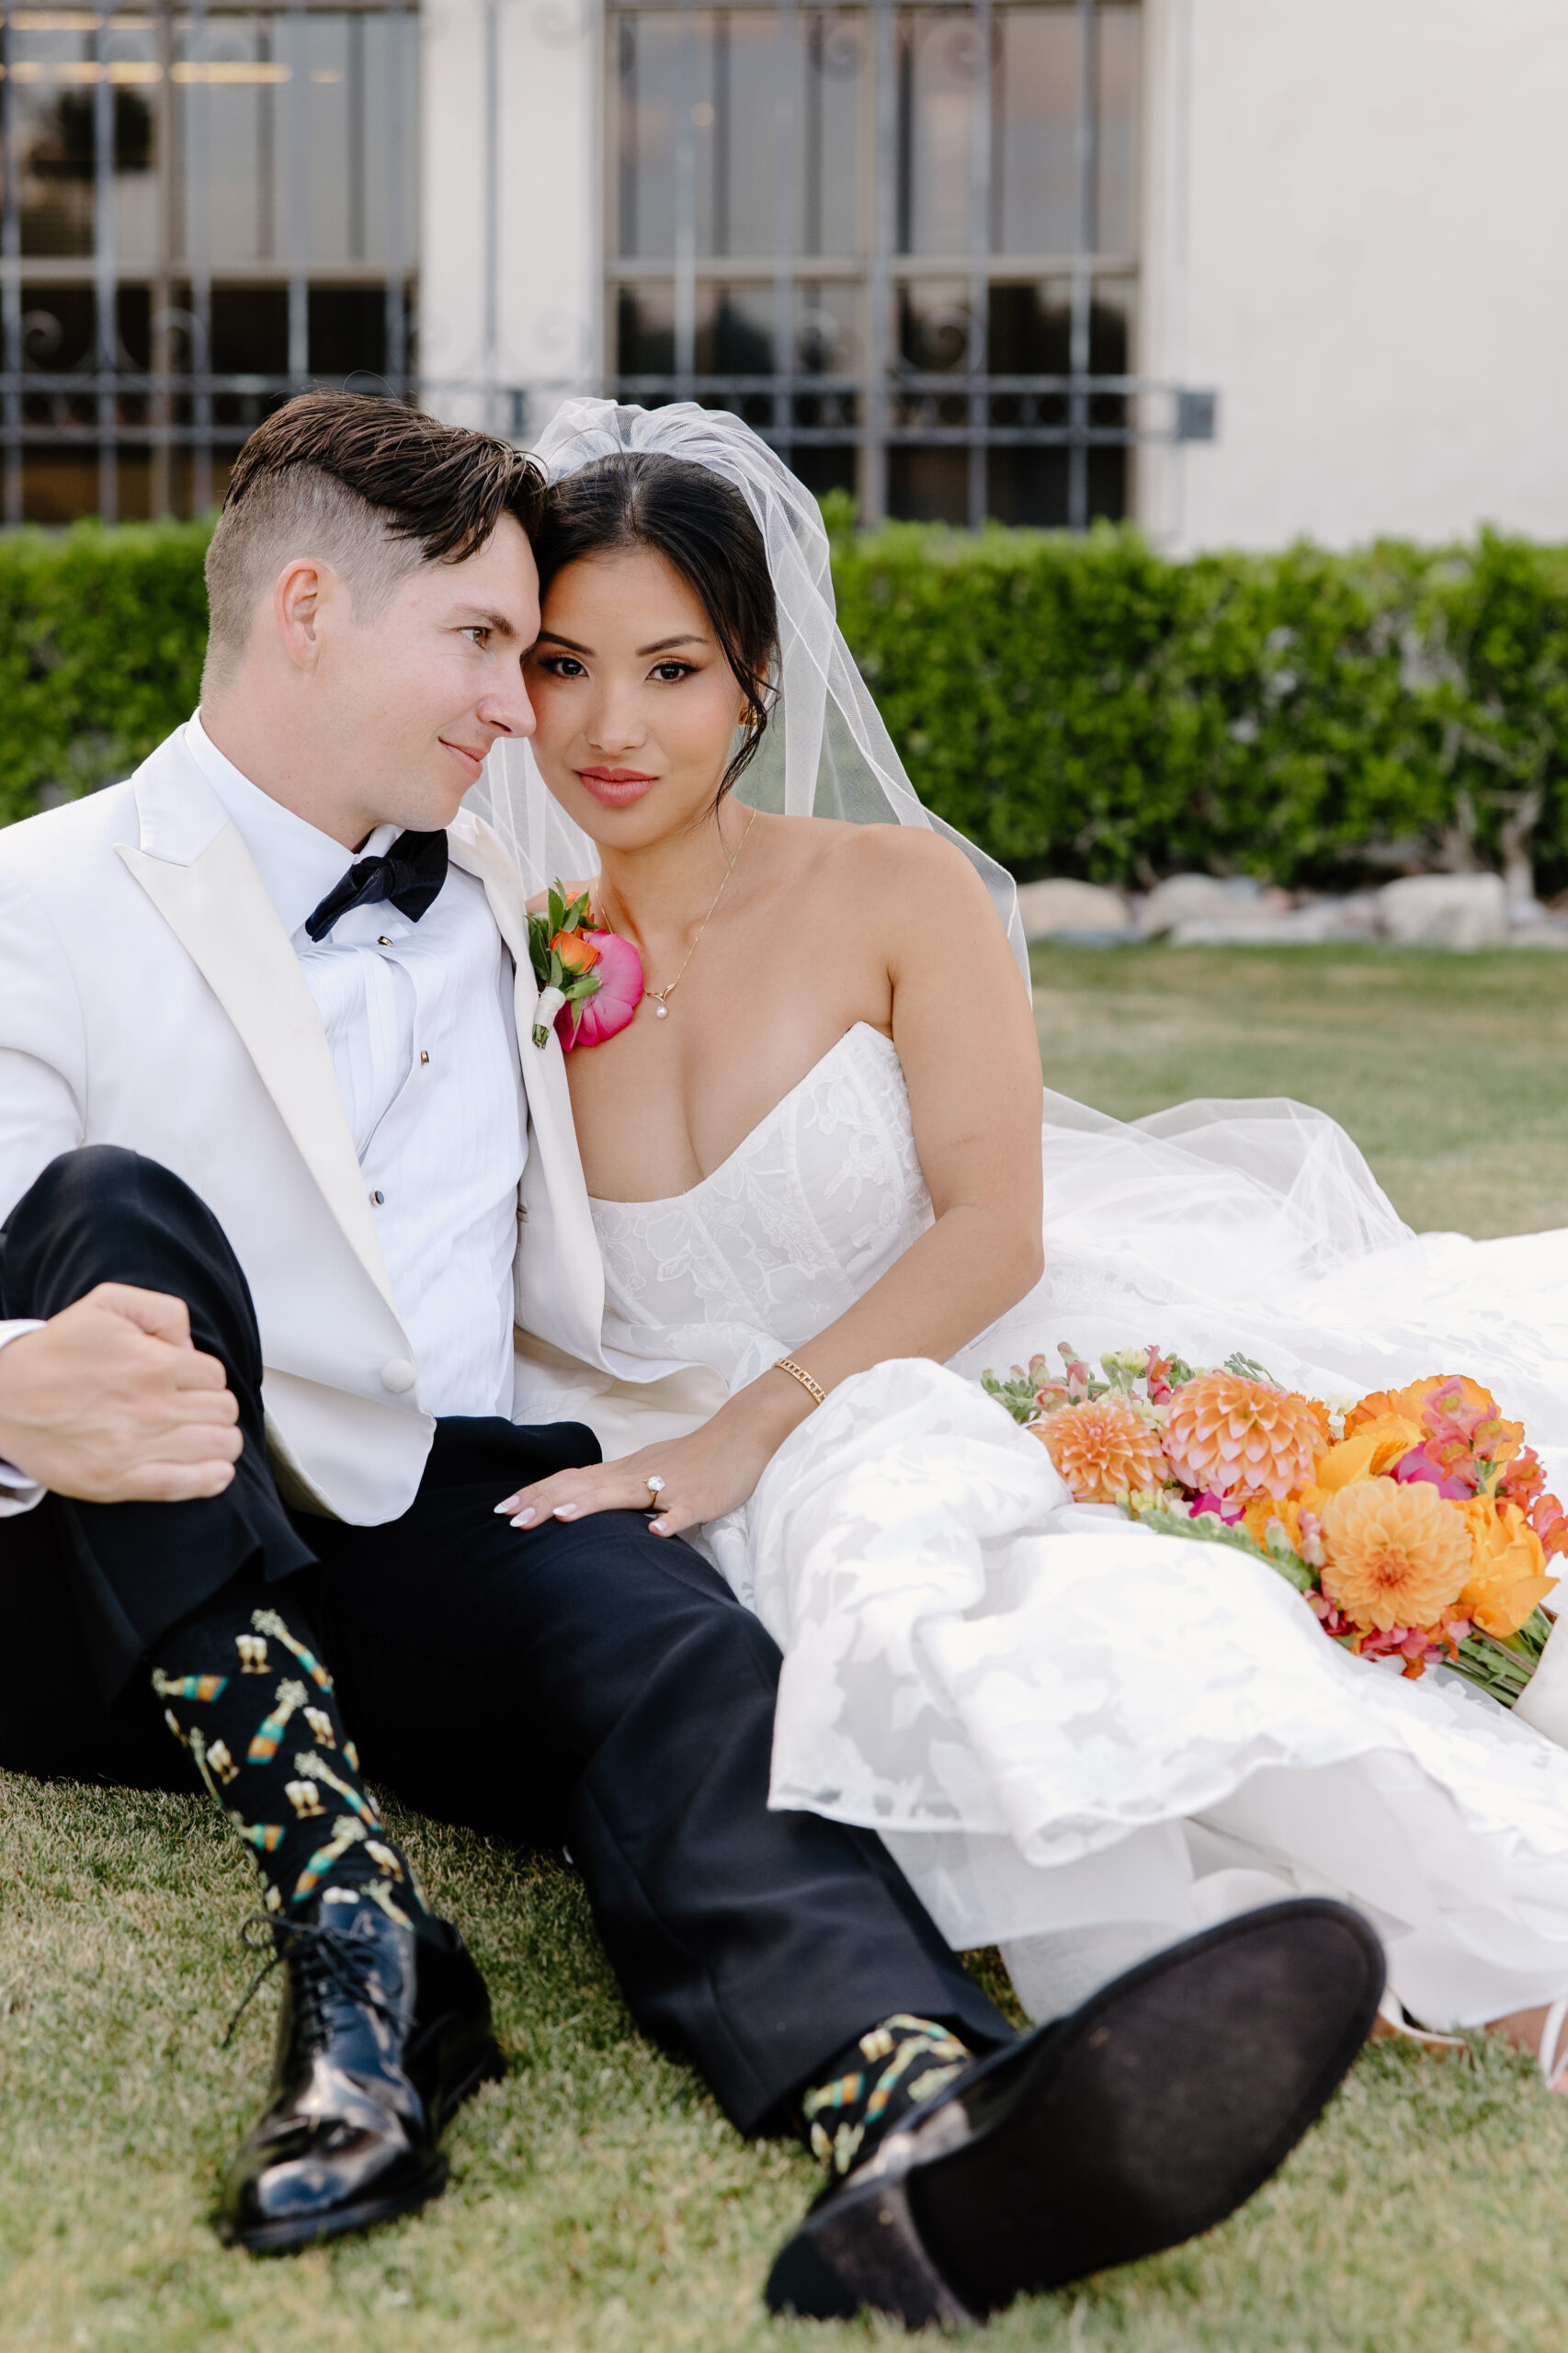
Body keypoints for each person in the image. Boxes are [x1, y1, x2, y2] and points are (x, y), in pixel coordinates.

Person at [0, 390, 1382, 2327]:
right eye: (489, 644)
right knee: (107, 1211)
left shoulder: (508, 903)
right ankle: (360, 1942)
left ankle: (914, 2117)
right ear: (310, 610)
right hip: (101, 1575)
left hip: (412, 1518)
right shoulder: (40, 895)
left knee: (666, 1629)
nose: (522, 710)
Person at [477, 396, 1568, 2122]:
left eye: (669, 670)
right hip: (693, 1459)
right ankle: (1293, 1962)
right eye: (561, 665)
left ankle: (1480, 1950)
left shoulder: (897, 893)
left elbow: (994, 1227)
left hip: (964, 1361)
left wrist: (752, 1430)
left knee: (1155, 1595)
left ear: (754, 678)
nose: (611, 726)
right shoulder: (488, 946)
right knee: (943, 1651)